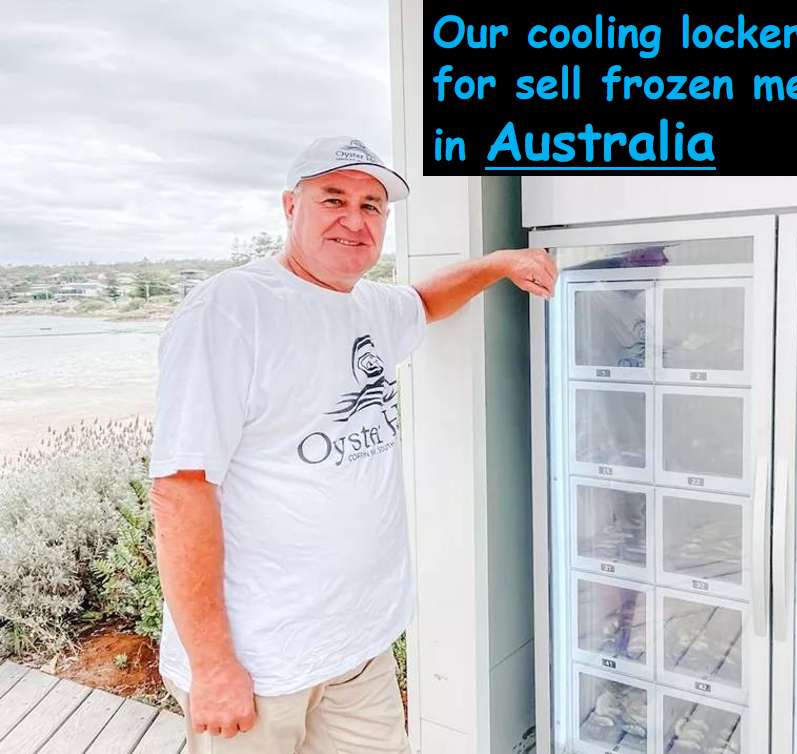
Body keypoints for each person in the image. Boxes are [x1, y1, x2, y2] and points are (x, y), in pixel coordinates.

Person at [149, 135, 556, 753]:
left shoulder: (370, 306)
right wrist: (212, 667)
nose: (354, 220)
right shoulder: (232, 310)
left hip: (357, 650)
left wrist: (498, 264)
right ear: (290, 207)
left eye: (373, 206)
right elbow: (180, 491)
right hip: (260, 666)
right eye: (333, 198)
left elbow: (423, 300)